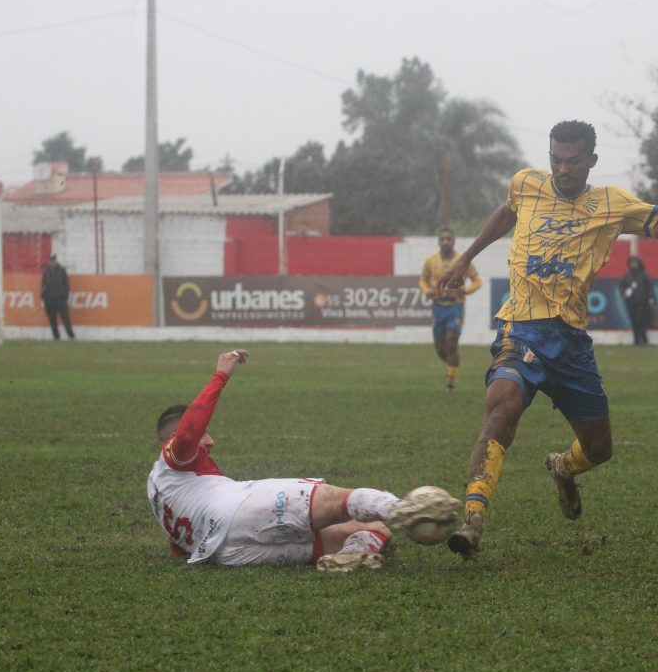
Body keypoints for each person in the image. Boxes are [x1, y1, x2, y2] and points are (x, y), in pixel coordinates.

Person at [435, 120, 658, 560]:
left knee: (600, 449)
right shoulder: (526, 184)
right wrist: (465, 258)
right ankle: (473, 520)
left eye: (573, 161)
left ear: (591, 161)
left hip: (569, 343)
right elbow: (507, 211)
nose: (562, 169)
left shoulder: (614, 204)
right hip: (520, 328)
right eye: (556, 160)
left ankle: (562, 467)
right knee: (501, 403)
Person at [146, 348, 460, 571]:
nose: (210, 441)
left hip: (227, 554)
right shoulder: (176, 455)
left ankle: (354, 554)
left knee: (370, 527)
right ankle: (409, 509)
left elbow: (177, 545)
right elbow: (188, 433)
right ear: (168, 441)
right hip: (239, 511)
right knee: (340, 501)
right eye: (206, 436)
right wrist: (220, 375)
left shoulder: (157, 490)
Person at [419, 228, 482, 391]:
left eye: (448, 239)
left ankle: (450, 382)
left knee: (451, 340)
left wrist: (465, 291)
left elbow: (477, 281)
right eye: (442, 239)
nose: (445, 242)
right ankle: (452, 364)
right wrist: (427, 291)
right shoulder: (430, 260)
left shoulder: (463, 260)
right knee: (441, 349)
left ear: (454, 241)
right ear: (438, 241)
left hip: (456, 306)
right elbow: (423, 280)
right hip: (438, 306)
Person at [619, 256, 655, 345]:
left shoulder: (644, 275)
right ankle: (636, 340)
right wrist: (625, 293)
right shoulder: (627, 276)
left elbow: (649, 287)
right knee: (633, 320)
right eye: (632, 263)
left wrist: (650, 297)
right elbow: (622, 287)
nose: (634, 265)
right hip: (631, 302)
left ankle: (644, 339)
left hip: (642, 302)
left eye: (635, 263)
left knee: (641, 319)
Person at [40, 253, 75, 340]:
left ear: (56, 260)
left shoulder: (62, 270)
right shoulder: (45, 272)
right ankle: (56, 337)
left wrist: (65, 296)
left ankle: (71, 336)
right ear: (49, 260)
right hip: (49, 299)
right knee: (52, 319)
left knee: (65, 318)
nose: (52, 262)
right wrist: (43, 298)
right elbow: (43, 285)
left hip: (60, 299)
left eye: (53, 260)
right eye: (51, 260)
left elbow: (66, 284)